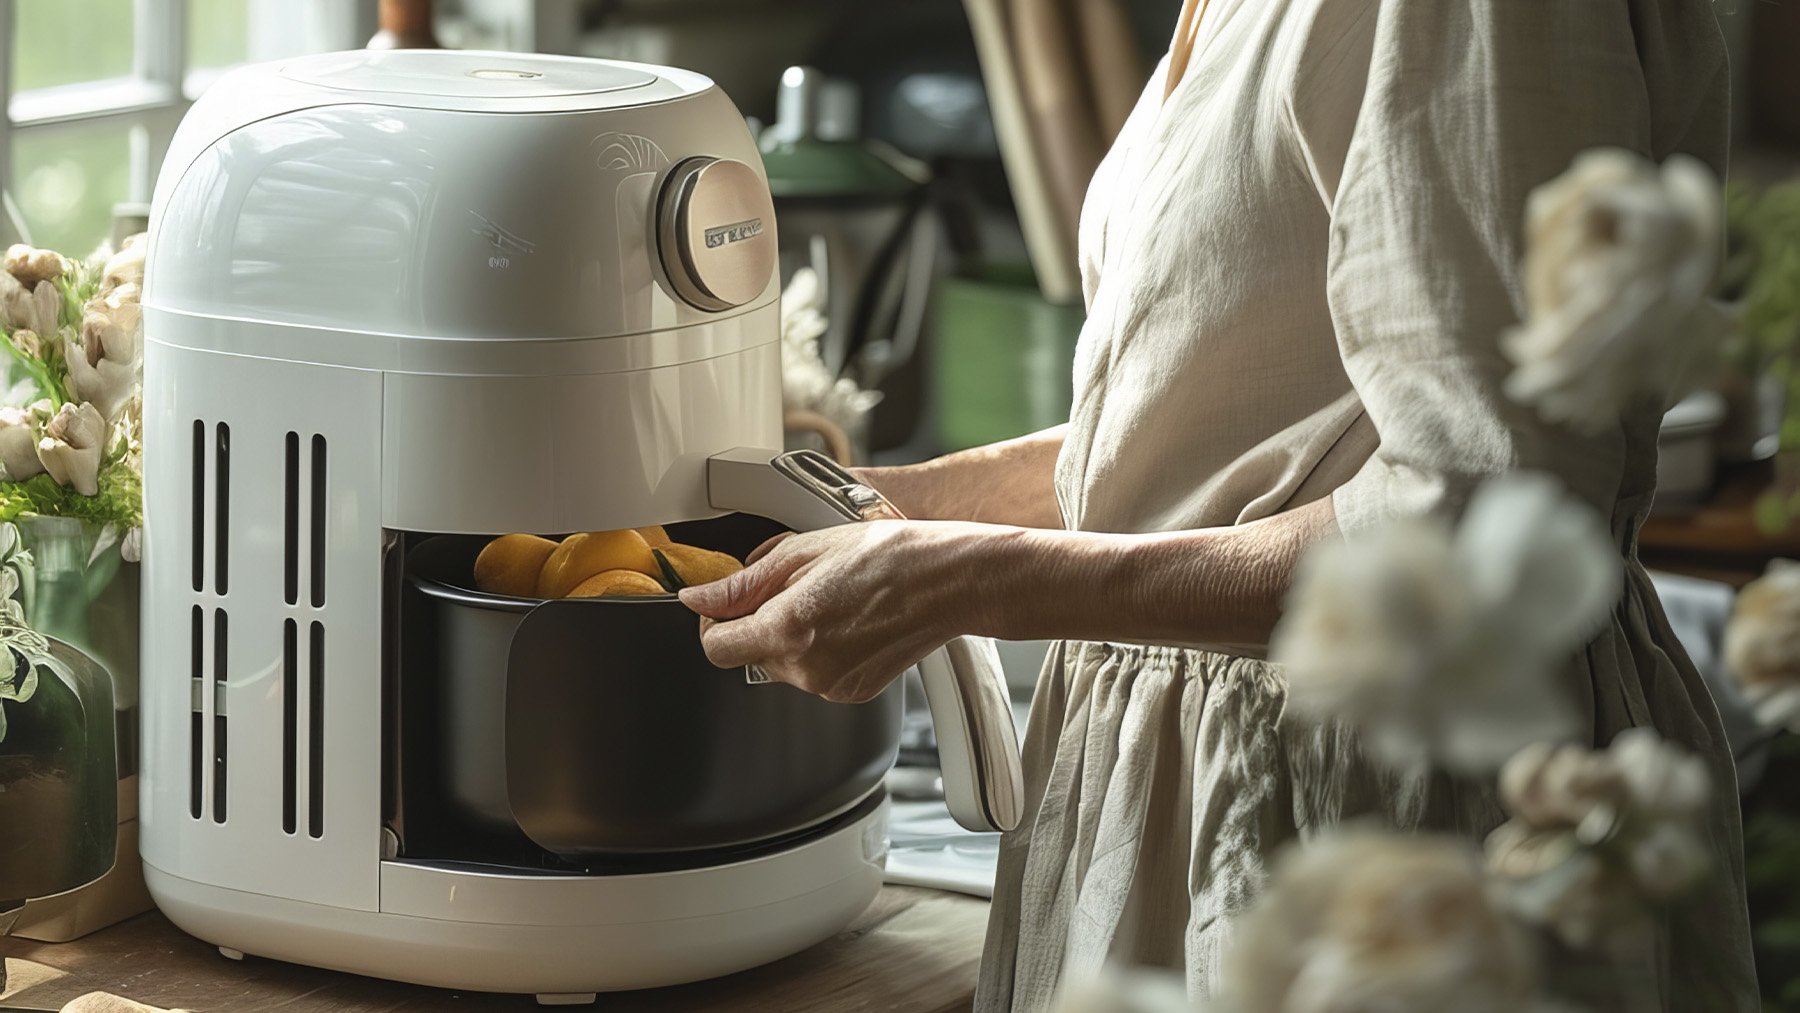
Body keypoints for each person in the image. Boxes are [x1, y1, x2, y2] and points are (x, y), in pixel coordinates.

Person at [679, 0, 1759, 1008]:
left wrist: (970, 575)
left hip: (1372, 812)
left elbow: (1481, 520)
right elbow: (1210, 431)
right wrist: (871, 501)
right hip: (1192, 783)